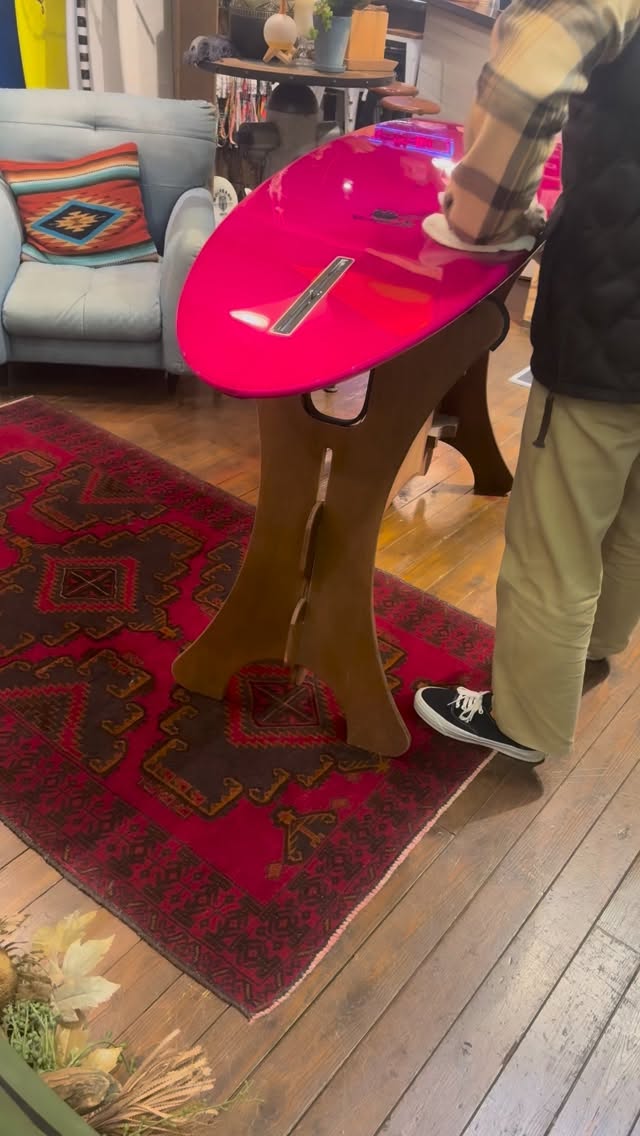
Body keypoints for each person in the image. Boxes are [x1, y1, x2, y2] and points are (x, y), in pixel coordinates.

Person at [414, 0, 640, 765]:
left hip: (612, 310)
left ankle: (524, 722)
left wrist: (484, 221)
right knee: (633, 509)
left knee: (558, 534)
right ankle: (598, 642)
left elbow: (527, 81)